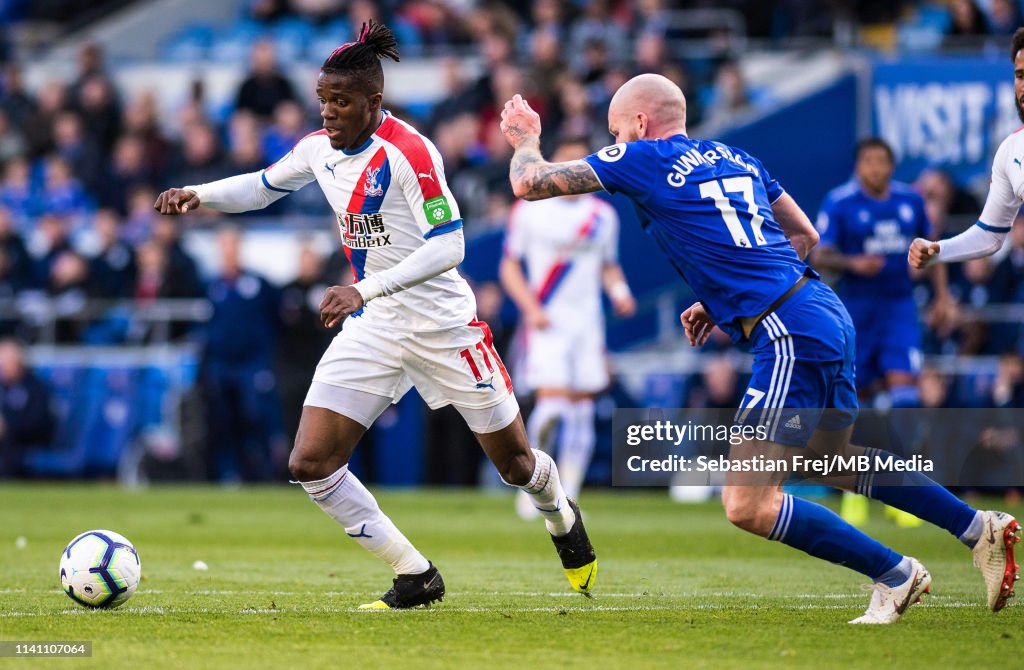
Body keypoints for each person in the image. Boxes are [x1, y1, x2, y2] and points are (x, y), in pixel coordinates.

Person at [500, 73, 1019, 623]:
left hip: (787, 332)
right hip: (821, 311)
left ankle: (896, 573)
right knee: (833, 461)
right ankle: (976, 528)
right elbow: (803, 236)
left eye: (614, 129)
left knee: (747, 503)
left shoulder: (640, 157)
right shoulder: (733, 155)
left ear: (638, 124)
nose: (614, 138)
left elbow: (529, 183)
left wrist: (525, 137)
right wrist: (725, 297)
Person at [153, 20, 596, 609]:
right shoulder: (318, 149)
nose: (329, 112)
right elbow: (262, 187)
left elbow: (451, 245)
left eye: (341, 102)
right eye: (323, 100)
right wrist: (199, 194)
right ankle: (415, 574)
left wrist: (366, 289)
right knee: (310, 462)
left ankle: (559, 511)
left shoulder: (411, 153)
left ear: (374, 102)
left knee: (515, 466)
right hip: (379, 327)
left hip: (444, 326)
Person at [814, 138, 953, 528]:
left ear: (892, 166)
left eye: (881, 161)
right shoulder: (840, 202)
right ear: (858, 166)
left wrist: (942, 298)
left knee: (905, 393)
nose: (874, 168)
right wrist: (853, 263)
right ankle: (853, 493)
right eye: (867, 161)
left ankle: (904, 494)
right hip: (855, 311)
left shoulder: (910, 202)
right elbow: (819, 254)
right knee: (855, 400)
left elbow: (934, 249)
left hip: (898, 309)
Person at [499, 136, 635, 518]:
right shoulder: (529, 210)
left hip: (587, 325)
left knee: (580, 412)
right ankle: (532, 487)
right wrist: (530, 309)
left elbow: (609, 266)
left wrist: (620, 292)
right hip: (547, 321)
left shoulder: (601, 217)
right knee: (553, 405)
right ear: (551, 164)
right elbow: (509, 266)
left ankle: (566, 496)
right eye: (565, 161)